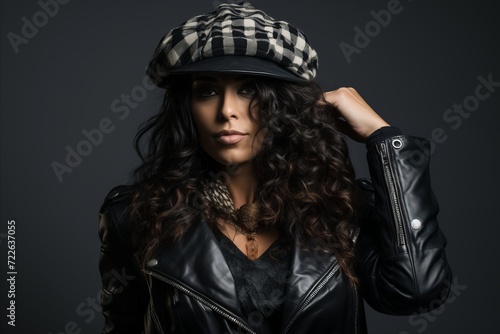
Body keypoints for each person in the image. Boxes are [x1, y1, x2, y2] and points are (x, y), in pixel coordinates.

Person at [98, 2, 452, 333]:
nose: (227, 111)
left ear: (282, 105)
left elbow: (417, 291)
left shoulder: (344, 210)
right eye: (206, 92)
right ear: (185, 109)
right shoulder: (136, 216)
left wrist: (383, 138)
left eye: (249, 90)